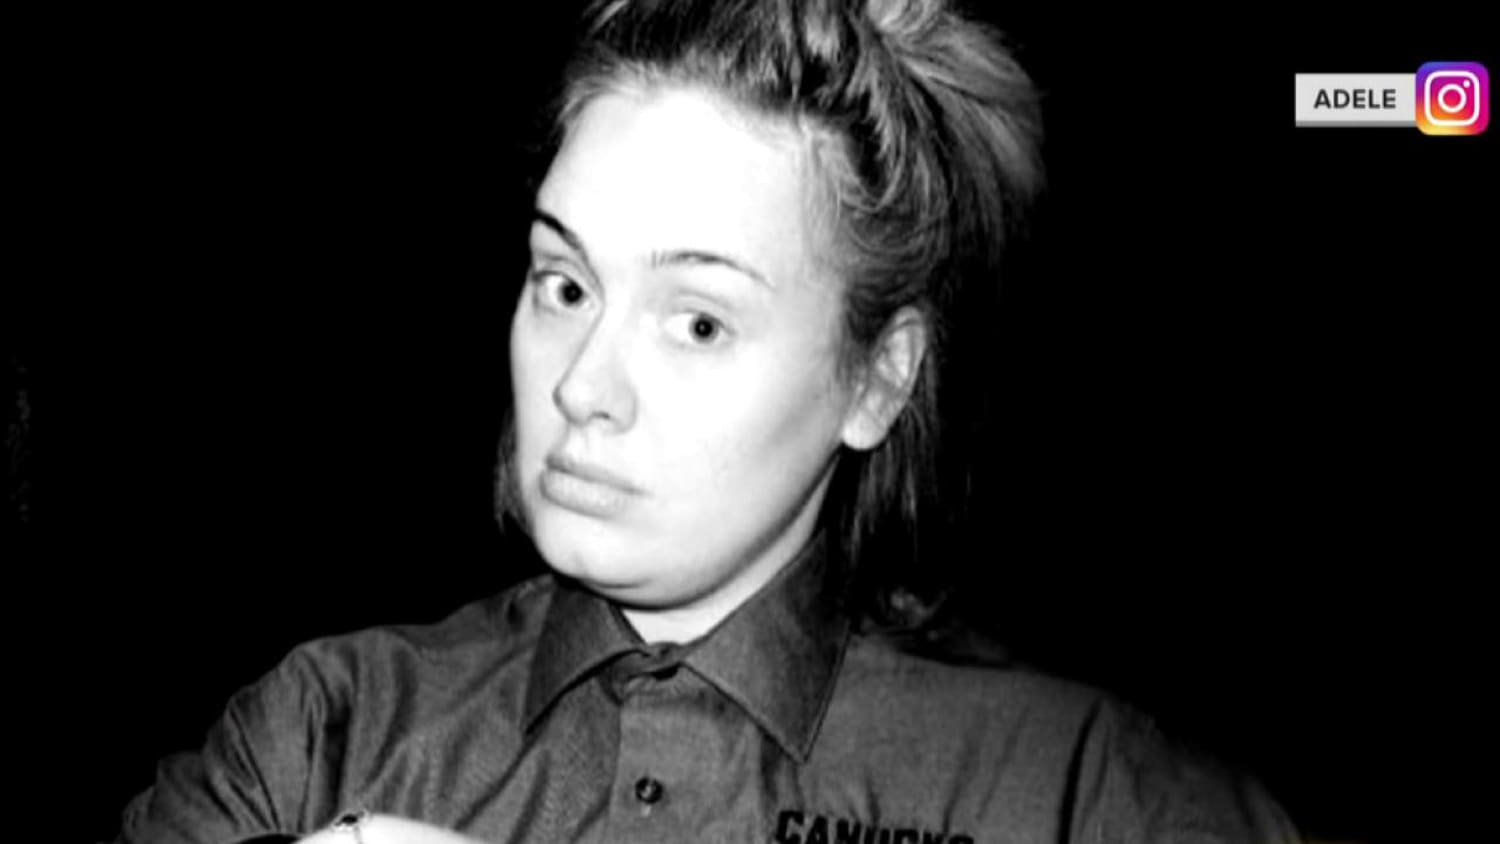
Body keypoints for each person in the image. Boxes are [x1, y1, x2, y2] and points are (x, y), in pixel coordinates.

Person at [116, 1, 1302, 842]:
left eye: (696, 321)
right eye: (565, 285)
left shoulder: (1089, 792)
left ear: (876, 380)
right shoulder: (322, 733)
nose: (583, 385)